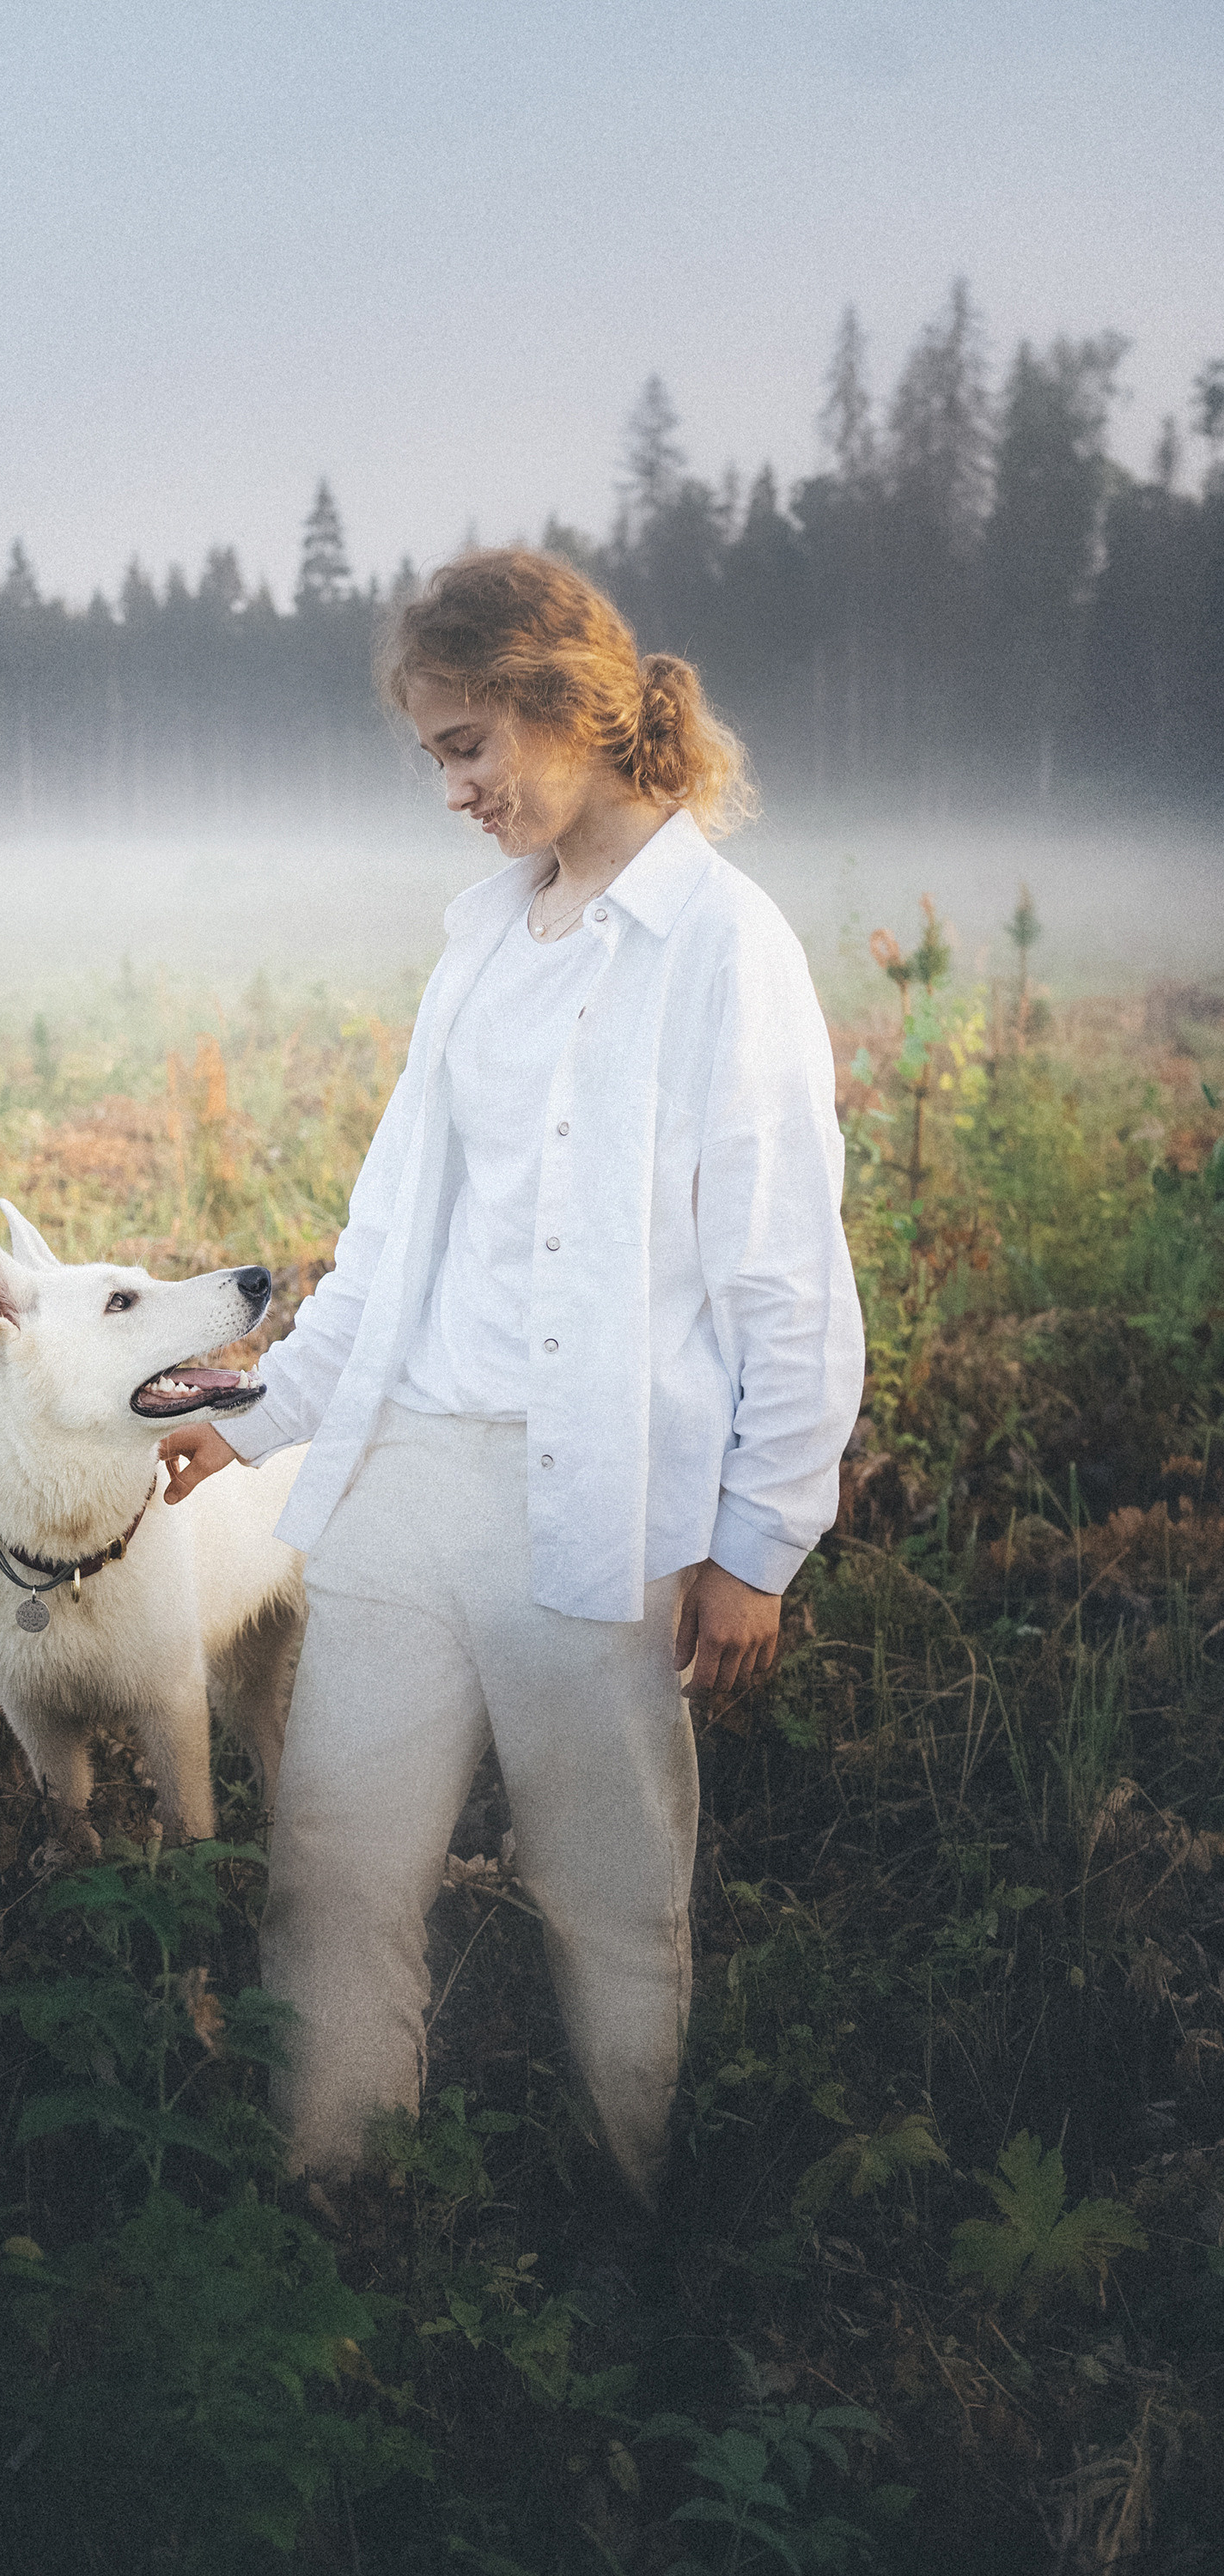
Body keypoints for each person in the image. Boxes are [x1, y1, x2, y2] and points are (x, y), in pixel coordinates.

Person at [159, 548, 864, 2203]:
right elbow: (399, 1227)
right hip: (409, 1485)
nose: (455, 792)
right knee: (331, 1870)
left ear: (571, 703)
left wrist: (759, 1541)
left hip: (600, 1520)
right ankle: (340, 2216)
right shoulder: (482, 936)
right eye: (434, 758)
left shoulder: (722, 946)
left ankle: (640, 2223)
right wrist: (258, 1417)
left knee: (611, 1896)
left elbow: (785, 1267)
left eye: (470, 745)